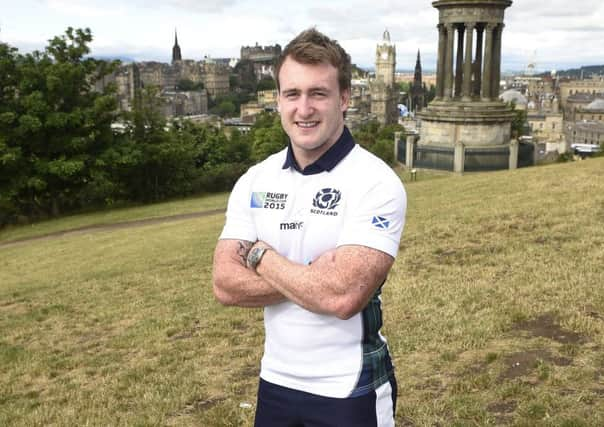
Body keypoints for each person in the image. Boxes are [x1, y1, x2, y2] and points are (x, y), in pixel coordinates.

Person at [212, 28, 407, 427]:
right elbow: (225, 284)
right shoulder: (255, 180)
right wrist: (312, 278)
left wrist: (259, 255)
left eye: (318, 93)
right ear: (279, 100)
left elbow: (342, 298)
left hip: (349, 387)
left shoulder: (376, 181)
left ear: (345, 99)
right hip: (275, 382)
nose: (304, 108)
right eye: (292, 94)